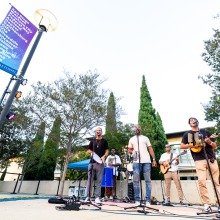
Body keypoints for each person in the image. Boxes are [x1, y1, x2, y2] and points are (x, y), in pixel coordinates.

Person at [180, 117, 219, 212]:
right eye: (191, 120)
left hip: (211, 158)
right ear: (189, 124)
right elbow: (182, 146)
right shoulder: (188, 134)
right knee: (202, 182)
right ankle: (206, 204)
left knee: (216, 182)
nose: (193, 121)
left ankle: (219, 203)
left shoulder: (205, 132)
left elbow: (214, 145)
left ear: (198, 122)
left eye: (195, 119)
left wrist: (209, 141)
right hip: (199, 160)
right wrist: (193, 145)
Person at [128, 124, 157, 206]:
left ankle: (148, 200)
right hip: (136, 162)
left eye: (139, 127)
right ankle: (137, 200)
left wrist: (154, 159)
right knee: (136, 181)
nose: (137, 128)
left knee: (148, 181)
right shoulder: (132, 139)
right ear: (134, 130)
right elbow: (129, 150)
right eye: (135, 127)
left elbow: (150, 148)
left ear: (140, 129)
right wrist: (132, 152)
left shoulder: (145, 138)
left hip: (147, 161)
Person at [85, 127, 109, 204]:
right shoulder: (92, 141)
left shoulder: (104, 141)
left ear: (101, 132)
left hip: (100, 163)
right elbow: (88, 150)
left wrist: (104, 156)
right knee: (89, 181)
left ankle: (97, 197)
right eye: (97, 130)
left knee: (99, 181)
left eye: (100, 130)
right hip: (92, 163)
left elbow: (107, 150)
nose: (98, 131)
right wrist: (92, 152)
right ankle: (88, 196)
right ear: (95, 132)